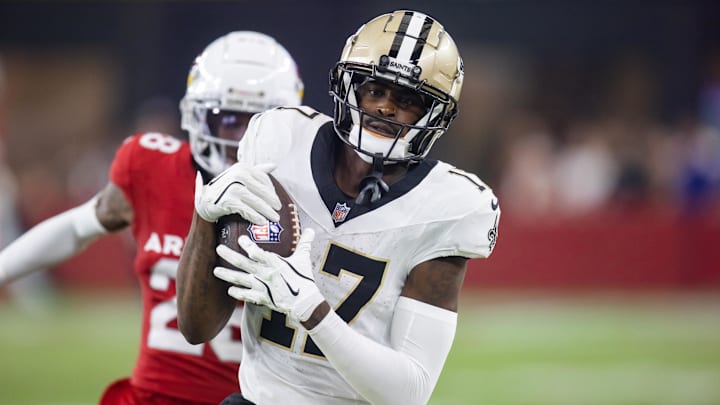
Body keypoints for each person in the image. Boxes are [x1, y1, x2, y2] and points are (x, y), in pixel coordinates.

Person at [177, 10, 500, 405]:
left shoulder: (446, 207)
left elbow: (408, 392)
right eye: (375, 89)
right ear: (349, 87)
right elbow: (196, 328)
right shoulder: (281, 141)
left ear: (434, 114)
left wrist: (311, 308)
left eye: (408, 100)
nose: (385, 108)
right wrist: (204, 218)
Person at [0, 31, 304, 404]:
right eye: (227, 119)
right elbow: (79, 226)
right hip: (153, 396)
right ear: (197, 115)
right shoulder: (154, 167)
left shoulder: (305, 194)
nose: (240, 138)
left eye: (256, 121)